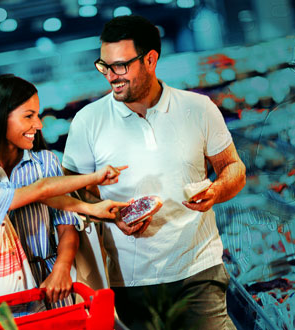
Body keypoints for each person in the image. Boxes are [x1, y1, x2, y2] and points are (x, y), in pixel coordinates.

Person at [61, 15, 248, 329]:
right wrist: (110, 214)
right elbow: (72, 188)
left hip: (199, 269)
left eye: (120, 66)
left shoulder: (197, 108)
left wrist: (215, 191)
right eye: (105, 66)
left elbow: (233, 168)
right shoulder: (87, 121)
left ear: (150, 59)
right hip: (131, 281)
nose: (110, 76)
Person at [0, 75, 130, 325]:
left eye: (38, 114)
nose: (39, 124)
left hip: (52, 287)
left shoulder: (45, 161)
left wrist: (61, 268)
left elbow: (62, 217)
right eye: (28, 116)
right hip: (2, 301)